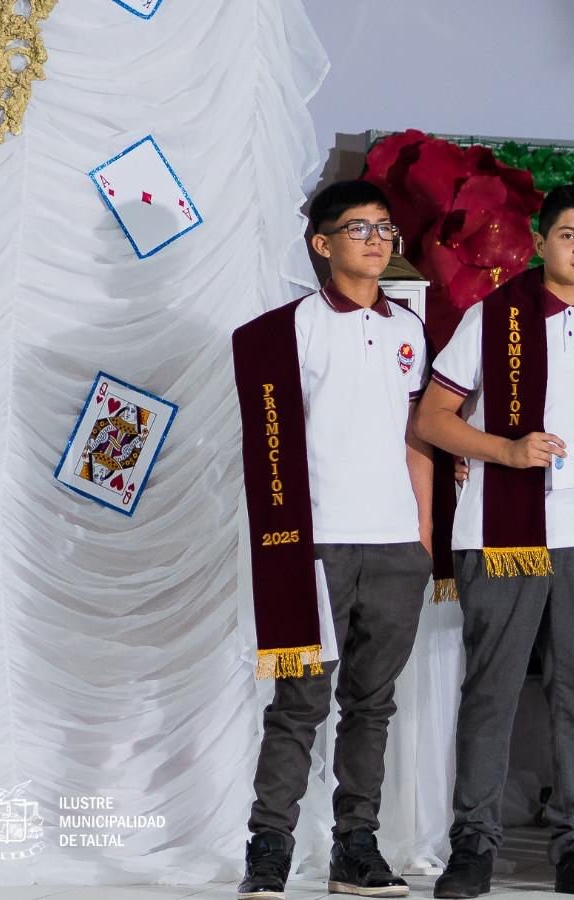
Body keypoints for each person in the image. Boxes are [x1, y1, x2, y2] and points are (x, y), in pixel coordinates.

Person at [415, 184, 574, 900]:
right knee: (491, 689)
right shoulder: (490, 318)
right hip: (499, 531)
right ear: (540, 241)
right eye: (568, 235)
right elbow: (432, 419)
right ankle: (474, 845)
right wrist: (504, 448)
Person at [230, 179, 435, 899]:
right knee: (300, 704)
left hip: (393, 547)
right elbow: (269, 448)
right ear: (321, 243)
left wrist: (423, 537)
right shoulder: (288, 329)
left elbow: (418, 438)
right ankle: (270, 848)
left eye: (386, 228)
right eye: (359, 228)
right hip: (315, 543)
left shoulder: (410, 329)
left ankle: (357, 848)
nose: (377, 240)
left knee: (372, 705)